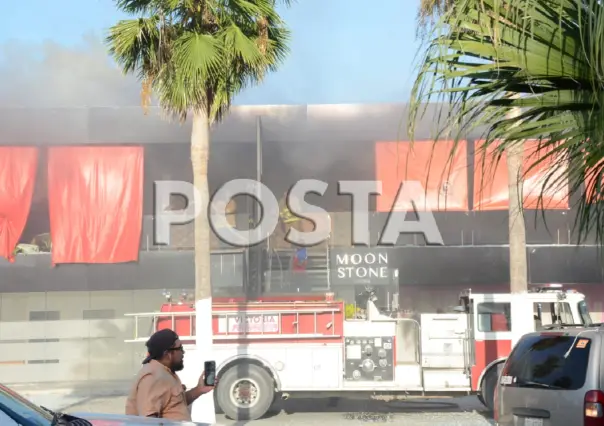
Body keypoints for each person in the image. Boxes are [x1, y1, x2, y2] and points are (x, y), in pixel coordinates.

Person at [125, 328, 216, 421]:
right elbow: (148, 421)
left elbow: (174, 403)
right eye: (180, 348)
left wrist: (199, 390)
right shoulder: (153, 377)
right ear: (167, 354)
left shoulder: (164, 372)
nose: (183, 352)